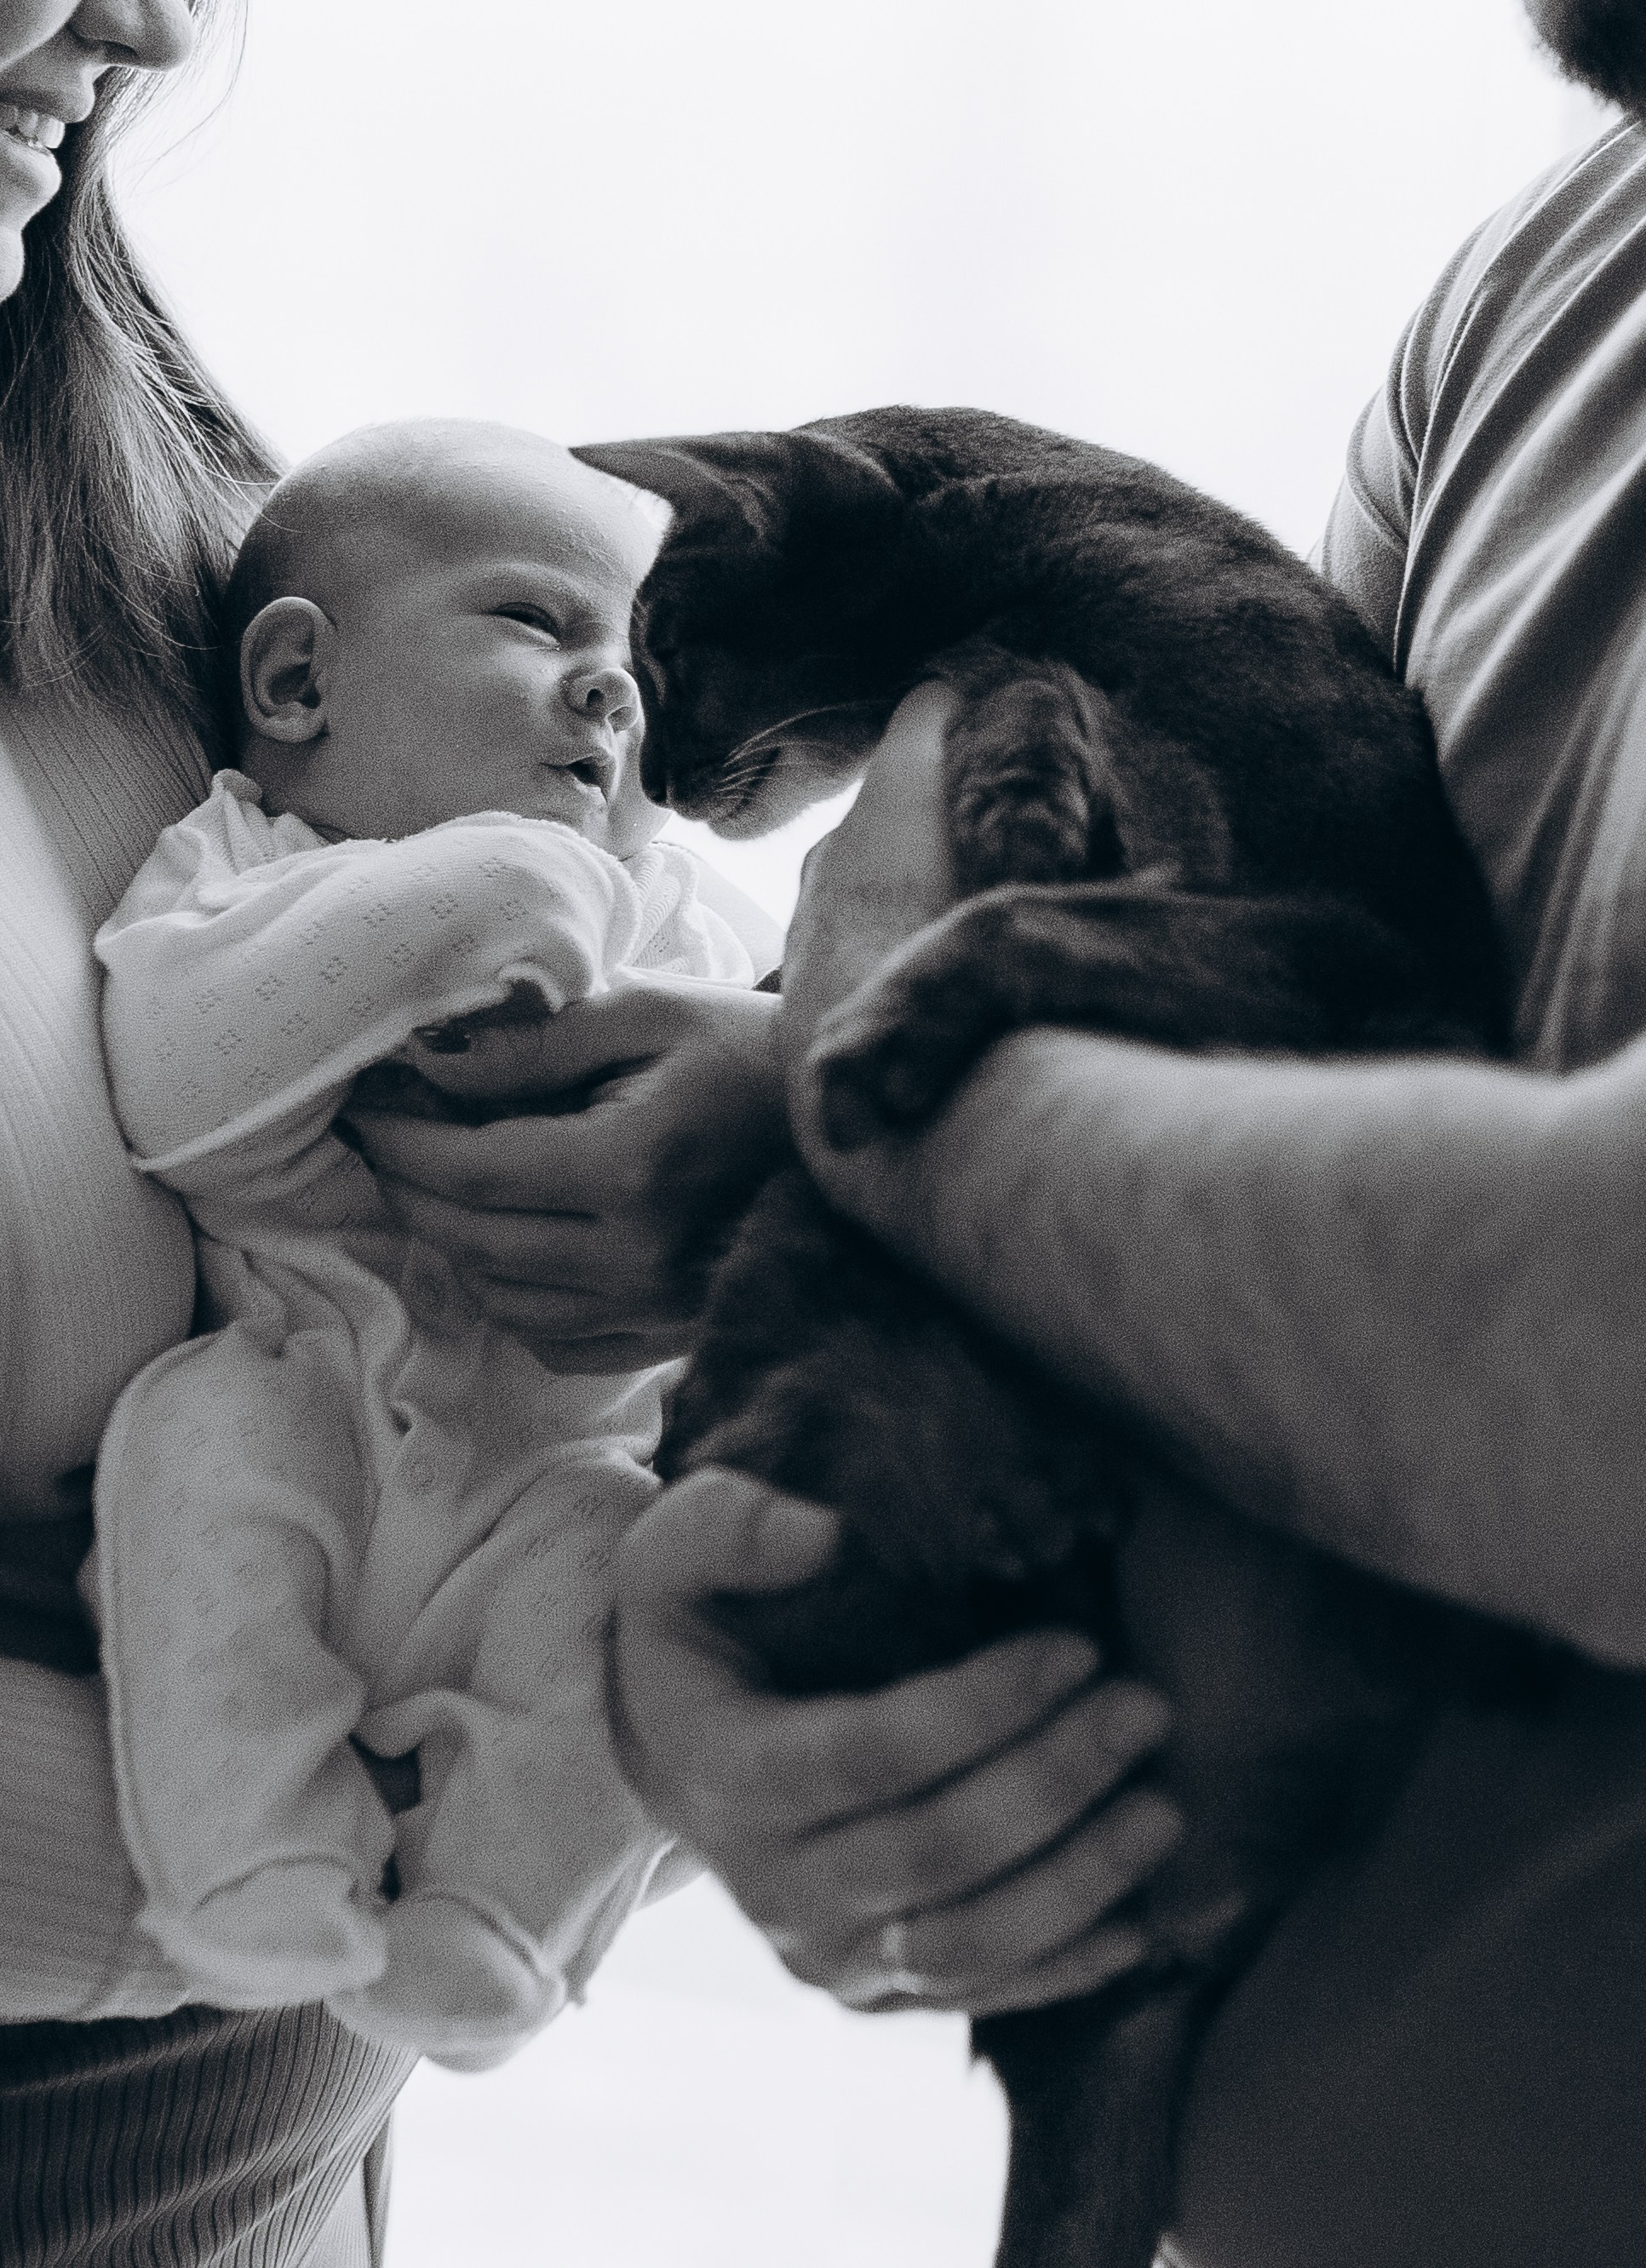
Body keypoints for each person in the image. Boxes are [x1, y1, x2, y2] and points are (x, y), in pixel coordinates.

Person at [352, 7, 1646, 2264]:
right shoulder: (1544, 296)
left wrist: (853, 1076)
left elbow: (1597, 1358)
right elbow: (1231, 1137)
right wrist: (729, 1674)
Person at [88, 421, 763, 2071]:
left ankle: (500, 1918)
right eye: (541, 626)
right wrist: (487, 889)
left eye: (640, 667)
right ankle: (254, 1853)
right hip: (307, 1393)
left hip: (560, 1464)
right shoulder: (242, 861)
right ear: (301, 682)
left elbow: (790, 1091)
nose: (612, 693)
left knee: (644, 1583)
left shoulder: (672, 906)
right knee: (191, 1458)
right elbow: (179, 1091)